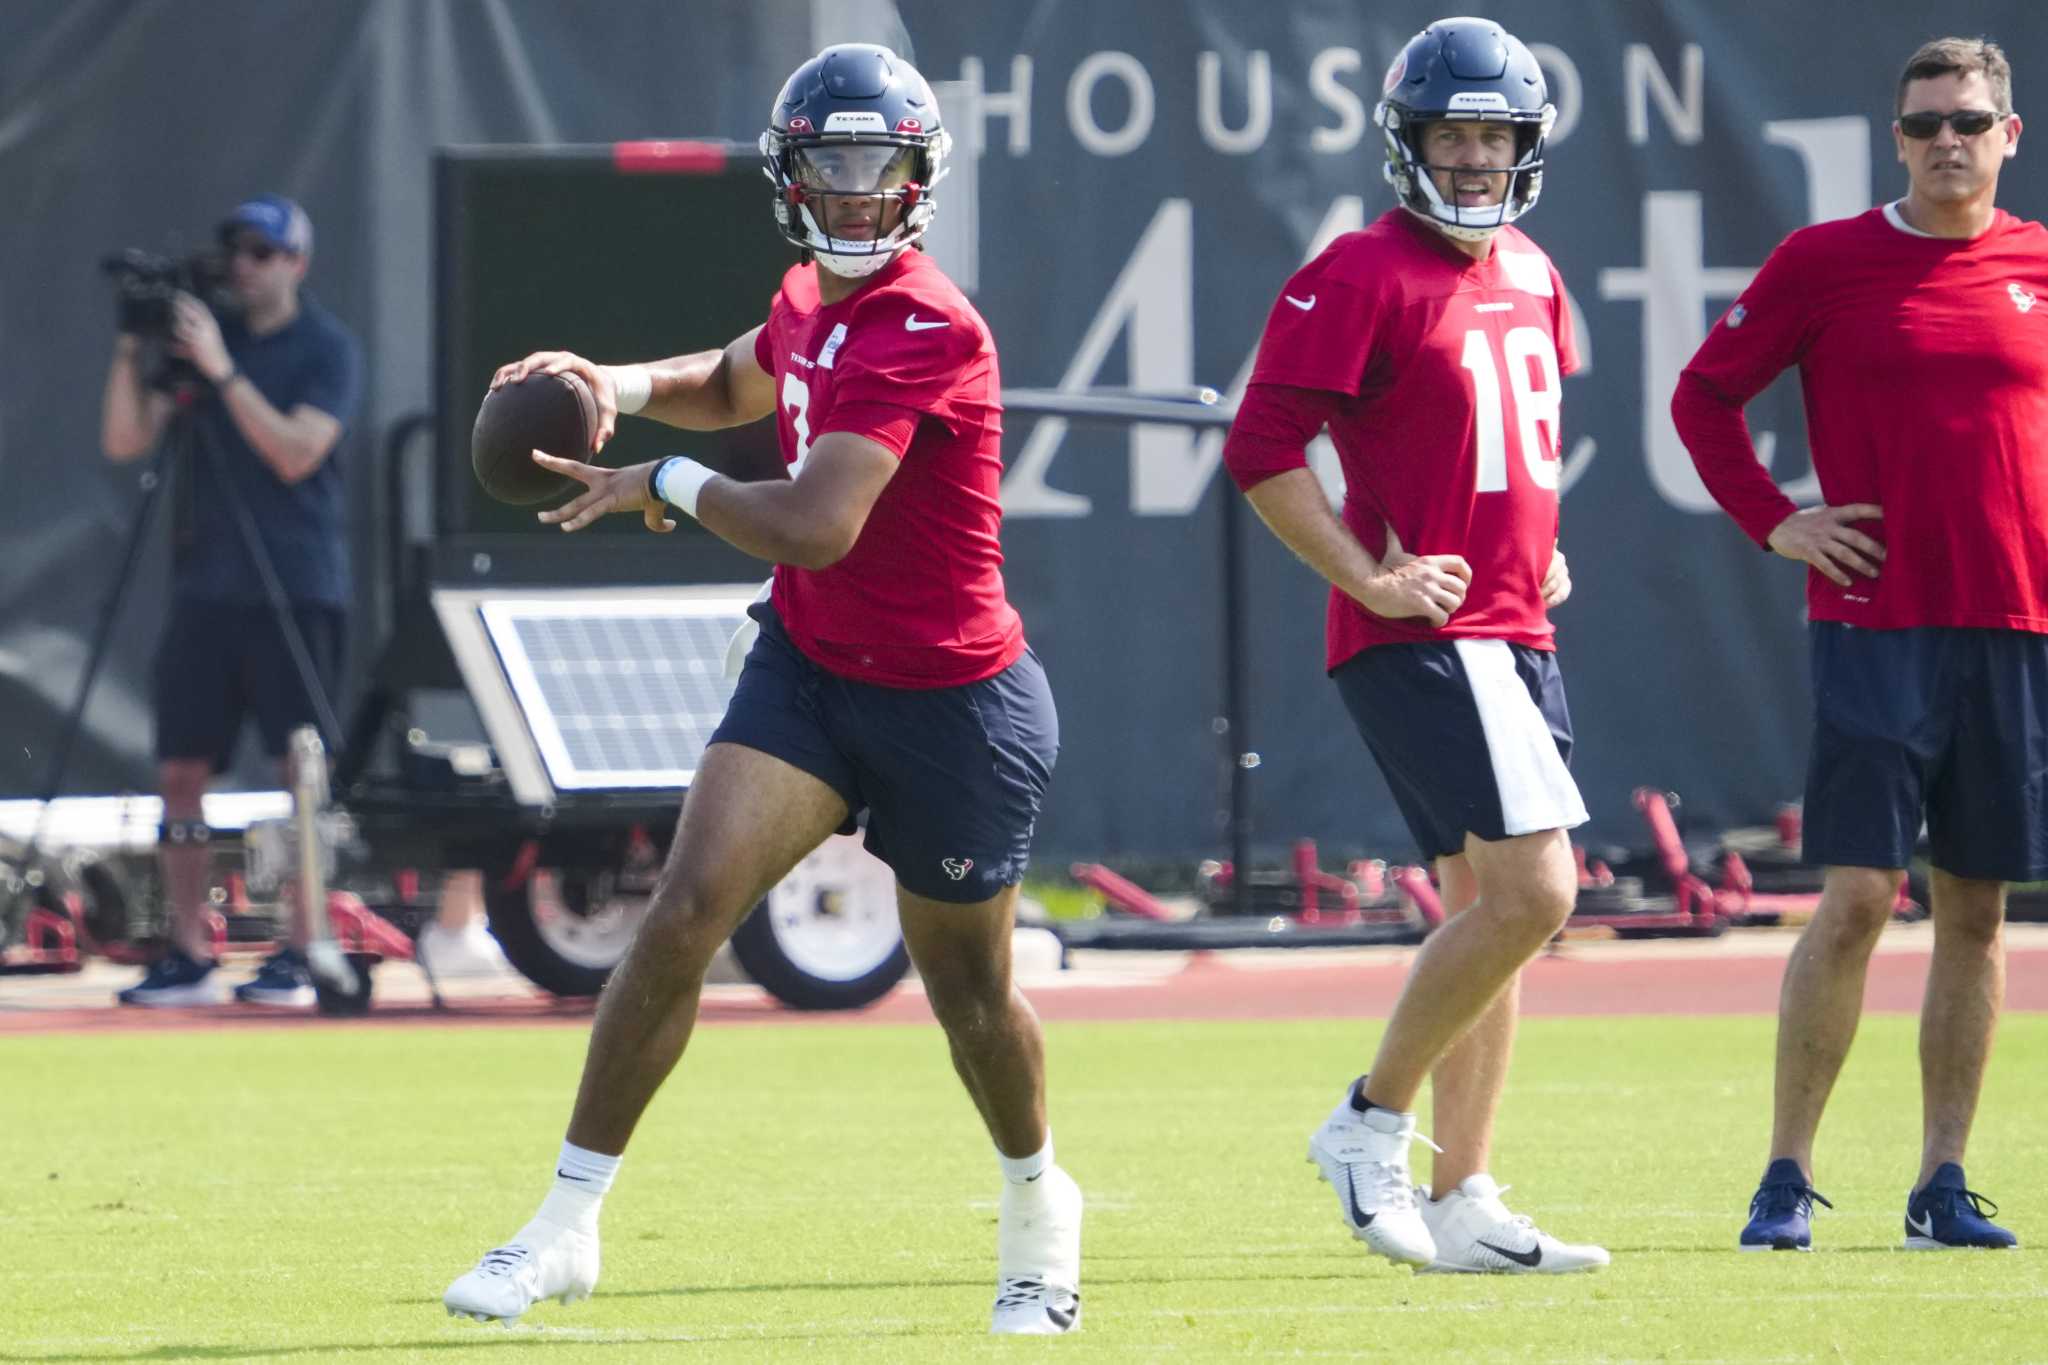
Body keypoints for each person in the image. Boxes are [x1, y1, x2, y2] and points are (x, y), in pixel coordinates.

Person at [441, 45, 1080, 1334]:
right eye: (832, 167)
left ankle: (1035, 1206)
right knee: (682, 913)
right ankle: (565, 1224)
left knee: (964, 996)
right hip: (811, 672)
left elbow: (817, 522)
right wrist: (616, 387)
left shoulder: (926, 322)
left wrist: (663, 484)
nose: (855, 193)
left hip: (952, 701)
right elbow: (738, 377)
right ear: (791, 179)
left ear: (917, 178)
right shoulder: (809, 296)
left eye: (878, 166)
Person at [1220, 17, 1608, 1275]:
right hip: (1434, 632)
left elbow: (1510, 447)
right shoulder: (1359, 270)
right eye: (1453, 133)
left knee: (1484, 908)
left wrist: (1536, 546)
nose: (1475, 158)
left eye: (1494, 135)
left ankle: (1464, 1192)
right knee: (1537, 893)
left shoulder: (1535, 271)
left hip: (1512, 620)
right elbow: (1259, 448)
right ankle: (1367, 1121)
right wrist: (1368, 574)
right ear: (1407, 142)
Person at [1674, 36, 2039, 1253]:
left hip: (2013, 633)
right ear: (1896, 138)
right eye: (1926, 122)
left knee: (1976, 914)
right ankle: (1784, 1177)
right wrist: (1777, 521)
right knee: (1854, 900)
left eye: (1970, 121)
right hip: (1873, 628)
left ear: (2008, 136)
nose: (1949, 140)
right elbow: (1701, 395)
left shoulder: (2039, 265)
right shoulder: (1824, 262)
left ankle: (1941, 1182)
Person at [99, 194, 363, 1009]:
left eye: (260, 251)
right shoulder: (203, 340)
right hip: (206, 586)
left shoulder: (325, 348)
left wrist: (222, 371)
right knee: (180, 769)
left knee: (299, 773)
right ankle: (186, 950)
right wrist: (133, 344)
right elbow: (123, 440)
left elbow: (296, 452)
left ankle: (300, 944)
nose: (243, 265)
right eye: (234, 250)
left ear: (295, 263)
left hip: (296, 582)